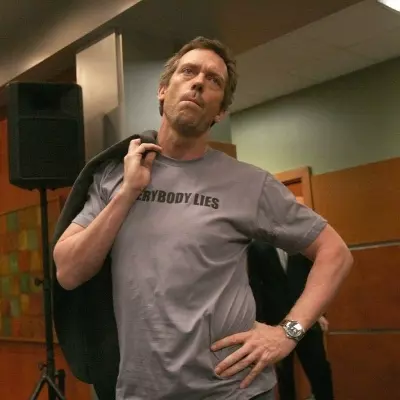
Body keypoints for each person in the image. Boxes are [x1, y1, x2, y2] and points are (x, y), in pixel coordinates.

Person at [53, 36, 353, 400]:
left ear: (220, 112)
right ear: (163, 91)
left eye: (214, 80)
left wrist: (286, 333)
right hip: (140, 391)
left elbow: (335, 253)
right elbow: (68, 272)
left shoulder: (250, 184)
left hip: (233, 390)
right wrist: (128, 191)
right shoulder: (115, 176)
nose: (198, 82)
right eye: (188, 72)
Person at [248, 240, 335, 400]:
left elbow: (315, 279)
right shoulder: (257, 246)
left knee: (319, 369)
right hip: (276, 322)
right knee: (284, 376)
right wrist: (260, 323)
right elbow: (255, 286)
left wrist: (319, 313)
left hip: (306, 319)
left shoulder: (300, 242)